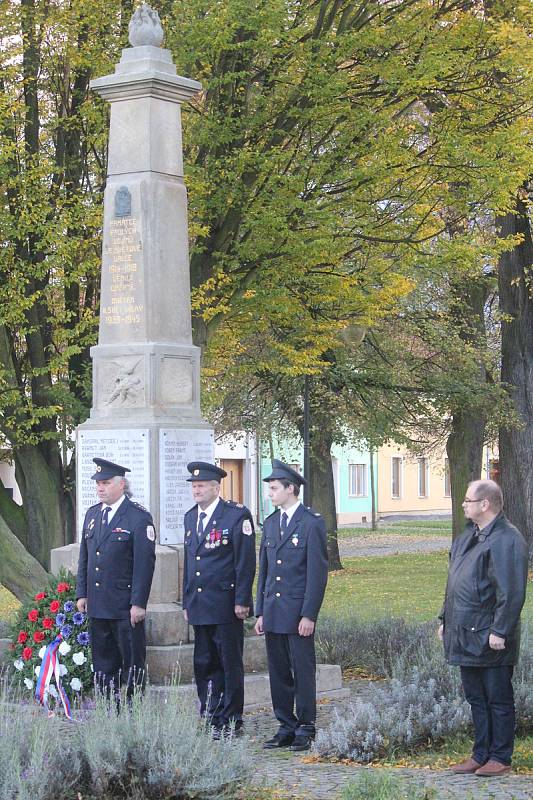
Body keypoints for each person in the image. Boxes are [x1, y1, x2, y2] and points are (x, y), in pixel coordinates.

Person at [438, 479, 528, 777]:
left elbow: (511, 591)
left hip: (490, 636)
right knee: (475, 697)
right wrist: (444, 619)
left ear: (485, 504)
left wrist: (500, 630)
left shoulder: (507, 539)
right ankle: (480, 754)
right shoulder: (468, 536)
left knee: (497, 698)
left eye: (468, 500)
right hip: (464, 631)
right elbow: (454, 582)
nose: (463, 504)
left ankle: (500, 757)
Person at [255, 459, 328, 752]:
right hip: (273, 611)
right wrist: (260, 610)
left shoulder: (311, 523)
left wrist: (309, 614)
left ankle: (306, 726)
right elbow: (265, 571)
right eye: (269, 489)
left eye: (274, 488)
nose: (269, 494)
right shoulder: (272, 523)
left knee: (302, 670)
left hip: (298, 614)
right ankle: (285, 724)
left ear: (290, 489)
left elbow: (316, 574)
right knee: (279, 672)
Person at [182, 461, 256, 736]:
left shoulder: (236, 516)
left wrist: (242, 600)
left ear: (216, 486)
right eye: (193, 486)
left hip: (226, 604)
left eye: (201, 486)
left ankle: (232, 717)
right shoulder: (191, 518)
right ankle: (210, 713)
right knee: (204, 663)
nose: (196, 490)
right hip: (200, 604)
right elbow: (190, 564)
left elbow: (245, 562)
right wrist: (186, 600)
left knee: (229, 662)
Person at [76, 458, 156, 697]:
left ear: (121, 484)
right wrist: (82, 592)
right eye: (98, 483)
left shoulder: (137, 517)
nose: (100, 488)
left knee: (132, 665)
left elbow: (145, 564)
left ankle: (134, 715)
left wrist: (138, 603)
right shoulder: (92, 515)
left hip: (124, 607)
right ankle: (108, 712)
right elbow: (85, 558)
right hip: (98, 605)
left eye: (106, 483)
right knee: (103, 665)